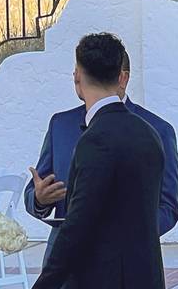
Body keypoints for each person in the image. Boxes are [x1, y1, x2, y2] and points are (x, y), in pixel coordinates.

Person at [31, 33, 168, 289]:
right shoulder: (148, 131)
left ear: (77, 77)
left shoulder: (96, 138)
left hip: (102, 277)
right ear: (120, 76)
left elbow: (79, 224)